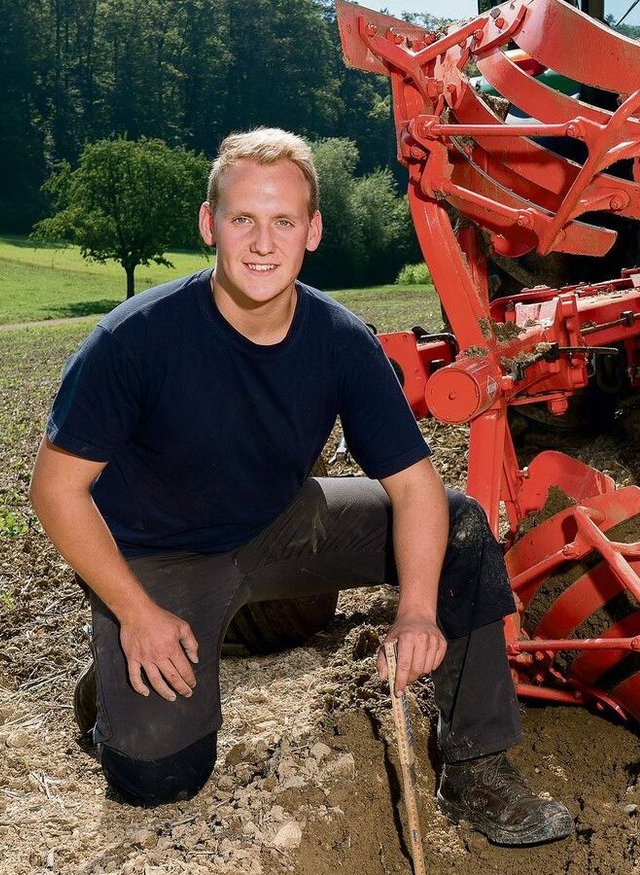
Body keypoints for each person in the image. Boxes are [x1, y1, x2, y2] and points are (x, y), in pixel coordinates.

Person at [29, 127, 573, 846]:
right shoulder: (135, 340)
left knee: (460, 523)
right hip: (161, 557)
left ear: (312, 230)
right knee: (159, 778)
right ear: (208, 223)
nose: (262, 242)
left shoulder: (342, 340)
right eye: (242, 219)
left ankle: (477, 767)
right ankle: (111, 688)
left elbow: (414, 489)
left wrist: (415, 610)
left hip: (281, 523)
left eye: (283, 220)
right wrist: (133, 611)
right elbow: (56, 490)